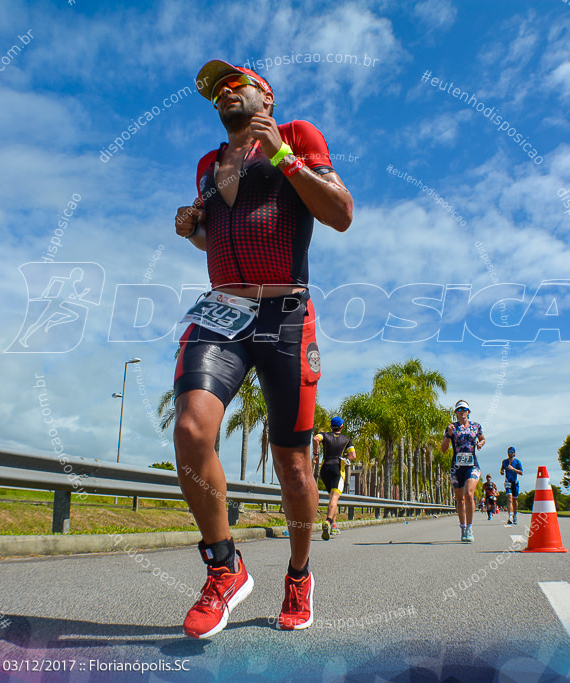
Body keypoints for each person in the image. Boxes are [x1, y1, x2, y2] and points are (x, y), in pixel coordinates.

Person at [172, 59, 353, 638]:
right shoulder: (207, 165)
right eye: (216, 90)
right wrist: (193, 228)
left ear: (266, 96)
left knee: (294, 465)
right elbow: (220, 236)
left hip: (285, 314)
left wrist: (286, 159)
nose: (225, 92)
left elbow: (340, 214)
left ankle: (299, 574)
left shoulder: (297, 135)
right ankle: (223, 567)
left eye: (236, 83)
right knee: (192, 431)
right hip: (222, 311)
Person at [440, 400, 485, 542]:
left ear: (469, 412)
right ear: (456, 413)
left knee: (469, 494)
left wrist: (480, 443)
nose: (462, 412)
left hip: (472, 465)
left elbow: (483, 439)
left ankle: (470, 528)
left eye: (464, 409)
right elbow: (443, 448)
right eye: (459, 409)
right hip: (456, 467)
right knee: (460, 499)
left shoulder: (476, 426)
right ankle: (463, 527)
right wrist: (449, 435)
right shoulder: (451, 427)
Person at [312, 416, 356, 540]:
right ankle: (329, 521)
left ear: (331, 426)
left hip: (324, 469)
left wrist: (316, 455)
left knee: (332, 498)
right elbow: (353, 455)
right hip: (337, 468)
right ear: (342, 427)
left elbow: (315, 439)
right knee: (334, 498)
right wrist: (344, 455)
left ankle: (334, 526)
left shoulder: (324, 435)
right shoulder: (346, 439)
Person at [500, 446, 523, 526]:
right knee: (509, 498)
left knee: (514, 500)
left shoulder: (517, 462)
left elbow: (521, 472)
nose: (510, 454)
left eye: (511, 452)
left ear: (514, 453)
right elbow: (501, 470)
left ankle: (515, 515)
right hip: (507, 482)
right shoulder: (504, 462)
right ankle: (509, 517)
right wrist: (502, 472)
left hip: (515, 482)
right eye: (508, 452)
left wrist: (513, 469)